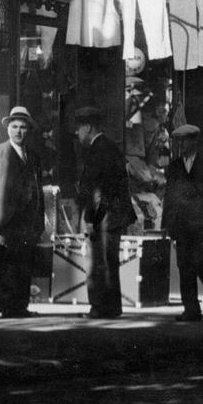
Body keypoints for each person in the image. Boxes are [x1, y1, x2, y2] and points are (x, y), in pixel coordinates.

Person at [0, 106, 45, 318]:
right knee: (3, 264)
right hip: (3, 219)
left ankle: (20, 306)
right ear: (8, 129)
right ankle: (3, 307)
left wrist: (39, 220)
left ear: (28, 130)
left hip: (26, 221)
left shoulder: (33, 157)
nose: (18, 131)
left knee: (23, 264)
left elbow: (37, 190)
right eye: (14, 126)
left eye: (23, 127)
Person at [73, 106, 136, 319]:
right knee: (109, 262)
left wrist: (90, 218)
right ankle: (112, 307)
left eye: (79, 128)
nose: (77, 133)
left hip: (103, 215)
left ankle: (100, 307)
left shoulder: (96, 150)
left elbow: (95, 190)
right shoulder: (110, 147)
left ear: (88, 127)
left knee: (98, 263)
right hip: (114, 214)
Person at [161, 124, 203, 321]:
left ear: (194, 141)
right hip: (182, 225)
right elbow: (169, 196)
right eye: (179, 141)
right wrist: (165, 224)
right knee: (185, 266)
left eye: (185, 140)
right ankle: (191, 309)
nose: (181, 144)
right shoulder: (174, 167)